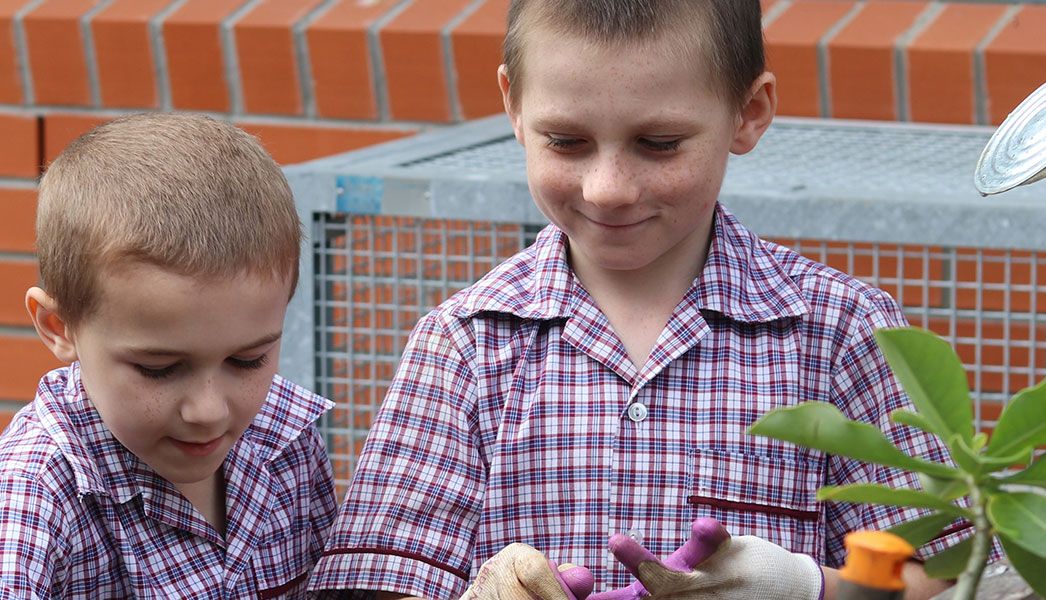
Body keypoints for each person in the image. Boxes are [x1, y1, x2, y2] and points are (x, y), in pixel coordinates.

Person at [305, 1, 972, 599]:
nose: (608, 188)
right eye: (567, 141)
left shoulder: (838, 332)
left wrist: (806, 588)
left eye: (658, 144)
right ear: (513, 105)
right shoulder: (466, 343)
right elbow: (373, 586)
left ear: (750, 112)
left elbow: (952, 574)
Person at [0, 113, 343, 598]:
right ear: (59, 328)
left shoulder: (286, 441)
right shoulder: (36, 489)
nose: (207, 410)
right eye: (159, 369)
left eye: (248, 360)